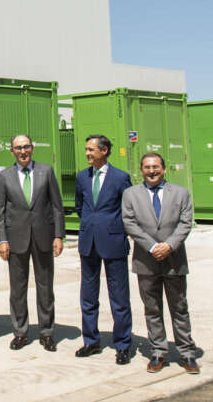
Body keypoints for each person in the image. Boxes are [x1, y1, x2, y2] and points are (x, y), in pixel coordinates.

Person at [122, 152, 199, 374]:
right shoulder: (130, 194)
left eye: (156, 167)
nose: (152, 171)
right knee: (152, 308)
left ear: (164, 169)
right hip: (146, 260)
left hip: (174, 259)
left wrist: (169, 245)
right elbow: (129, 222)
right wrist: (153, 246)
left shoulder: (180, 193)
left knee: (179, 307)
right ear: (141, 171)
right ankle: (158, 351)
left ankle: (187, 353)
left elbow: (186, 222)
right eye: (147, 167)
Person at [0, 134, 65, 351]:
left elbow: (56, 206)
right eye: (18, 148)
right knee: (17, 289)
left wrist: (58, 235)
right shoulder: (5, 176)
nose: (23, 151)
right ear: (12, 151)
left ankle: (47, 332)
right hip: (16, 240)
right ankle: (20, 332)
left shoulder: (46, 172)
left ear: (32, 148)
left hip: (43, 238)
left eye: (26, 147)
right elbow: (0, 212)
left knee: (45, 287)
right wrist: (2, 240)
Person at [74, 134, 133, 364]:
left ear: (105, 151)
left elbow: (127, 209)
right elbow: (81, 206)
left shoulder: (120, 178)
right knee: (88, 295)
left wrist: (111, 227)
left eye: (92, 150)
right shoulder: (82, 177)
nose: (88, 153)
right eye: (87, 149)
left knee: (119, 296)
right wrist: (92, 224)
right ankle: (91, 341)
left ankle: (123, 344)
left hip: (113, 242)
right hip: (89, 242)